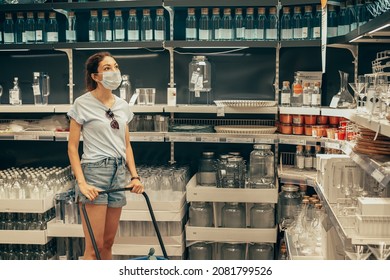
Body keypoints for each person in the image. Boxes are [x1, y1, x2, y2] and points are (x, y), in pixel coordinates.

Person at [67, 52, 144, 260]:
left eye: (116, 66)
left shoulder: (122, 105)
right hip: (95, 172)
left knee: (108, 245)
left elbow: (126, 144)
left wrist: (134, 176)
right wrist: (81, 183)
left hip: (119, 172)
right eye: (107, 68)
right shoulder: (81, 104)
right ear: (95, 76)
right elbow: (72, 148)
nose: (114, 71)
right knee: (94, 247)